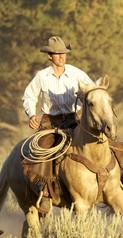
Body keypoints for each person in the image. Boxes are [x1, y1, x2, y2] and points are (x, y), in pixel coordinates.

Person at [22, 36, 94, 213]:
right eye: (57, 53)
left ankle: (106, 183)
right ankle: (46, 193)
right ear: (49, 56)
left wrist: (86, 97)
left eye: (63, 53)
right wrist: (32, 114)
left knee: (96, 142)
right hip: (50, 121)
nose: (61, 56)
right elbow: (29, 96)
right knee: (45, 151)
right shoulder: (42, 76)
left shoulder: (77, 73)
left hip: (73, 118)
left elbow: (92, 91)